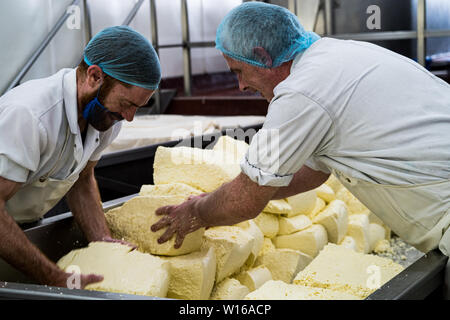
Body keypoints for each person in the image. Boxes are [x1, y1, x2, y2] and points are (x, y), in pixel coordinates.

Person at [151, 2, 450, 296]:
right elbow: (314, 171)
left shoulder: (300, 92)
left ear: (262, 56)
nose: (240, 86)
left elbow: (246, 200)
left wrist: (195, 212)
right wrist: (230, 193)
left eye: (239, 71)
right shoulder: (333, 55)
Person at [0, 26, 160, 288]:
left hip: (23, 225)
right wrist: (53, 277)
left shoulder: (106, 118)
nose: (130, 117)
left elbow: (83, 178)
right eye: (127, 104)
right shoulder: (30, 116)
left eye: (138, 107)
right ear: (94, 76)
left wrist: (102, 243)